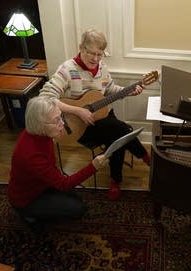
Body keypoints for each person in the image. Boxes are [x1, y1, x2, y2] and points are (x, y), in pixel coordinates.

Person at [39, 28, 151, 201]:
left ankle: (116, 179)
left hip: (103, 118)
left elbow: (110, 89)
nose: (96, 59)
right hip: (79, 126)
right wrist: (77, 110)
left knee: (117, 134)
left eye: (100, 54)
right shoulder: (67, 69)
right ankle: (146, 159)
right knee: (121, 130)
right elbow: (45, 98)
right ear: (81, 47)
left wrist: (131, 91)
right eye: (91, 53)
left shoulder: (102, 68)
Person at [8, 96, 108, 228]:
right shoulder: (32, 155)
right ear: (40, 125)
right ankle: (27, 214)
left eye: (61, 117)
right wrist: (93, 166)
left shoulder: (39, 134)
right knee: (77, 210)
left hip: (42, 185)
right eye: (56, 121)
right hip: (27, 199)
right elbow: (63, 184)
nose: (62, 123)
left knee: (76, 200)